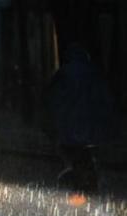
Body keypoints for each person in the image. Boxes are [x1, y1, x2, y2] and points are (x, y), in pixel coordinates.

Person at [45, 43, 118, 193]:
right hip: (91, 126)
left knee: (72, 153)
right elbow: (106, 99)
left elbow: (52, 98)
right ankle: (89, 183)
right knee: (86, 154)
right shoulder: (94, 73)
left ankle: (78, 182)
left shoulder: (63, 73)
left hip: (70, 126)